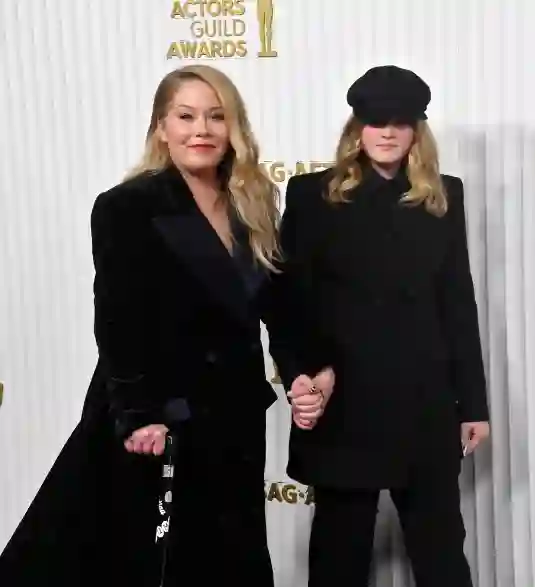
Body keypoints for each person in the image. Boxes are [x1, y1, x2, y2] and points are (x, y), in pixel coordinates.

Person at [0, 64, 332, 587]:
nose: (201, 130)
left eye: (216, 117)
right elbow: (117, 320)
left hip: (235, 419)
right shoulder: (126, 206)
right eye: (185, 116)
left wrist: (304, 372)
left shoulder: (255, 202)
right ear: (161, 127)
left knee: (232, 558)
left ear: (234, 128)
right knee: (148, 563)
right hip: (160, 419)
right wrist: (139, 415)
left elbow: (280, 304)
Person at [276, 65, 491, 587]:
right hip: (343, 398)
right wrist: (302, 374)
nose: (388, 132)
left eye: (400, 120)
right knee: (339, 553)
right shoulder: (311, 195)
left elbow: (456, 302)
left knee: (440, 551)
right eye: (375, 121)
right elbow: (287, 300)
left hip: (424, 401)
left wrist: (473, 404)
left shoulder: (444, 196)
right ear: (357, 127)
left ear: (418, 128)